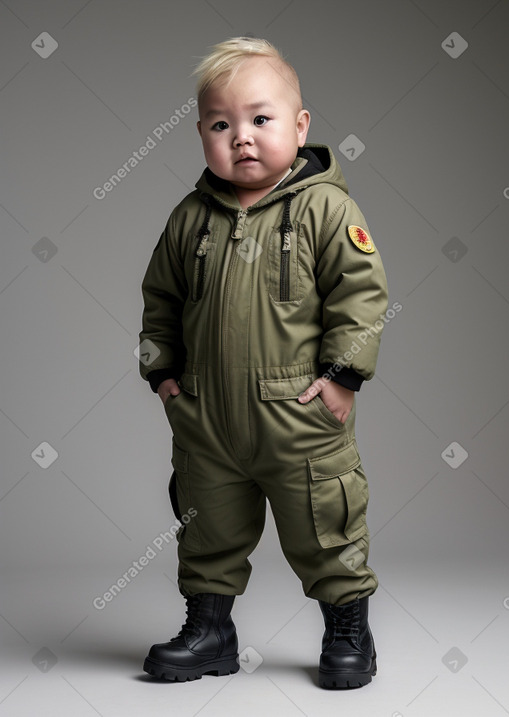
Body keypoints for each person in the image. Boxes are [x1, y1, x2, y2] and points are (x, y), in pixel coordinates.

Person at [138, 36, 388, 689]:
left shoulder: (326, 209)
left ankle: (347, 629)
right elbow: (160, 296)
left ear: (300, 126)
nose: (241, 137)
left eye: (260, 119)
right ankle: (209, 628)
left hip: (298, 416)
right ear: (201, 133)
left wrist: (343, 375)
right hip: (208, 417)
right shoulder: (189, 218)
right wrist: (164, 372)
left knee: (325, 526)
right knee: (205, 526)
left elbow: (361, 295)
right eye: (221, 124)